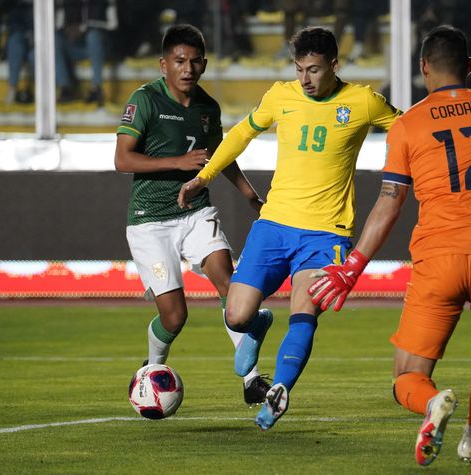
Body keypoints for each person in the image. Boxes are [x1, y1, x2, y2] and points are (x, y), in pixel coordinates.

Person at [309, 25, 471, 466]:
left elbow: (389, 203)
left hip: (440, 261)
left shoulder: (408, 124)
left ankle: (432, 403)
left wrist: (353, 266)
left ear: (423, 69)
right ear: (469, 66)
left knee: (406, 377)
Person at [177, 26, 401, 430]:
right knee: (236, 316)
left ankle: (279, 389)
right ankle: (259, 324)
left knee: (304, 309)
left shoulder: (363, 101)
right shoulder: (281, 96)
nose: (305, 79)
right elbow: (242, 134)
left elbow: (409, 130)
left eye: (314, 70)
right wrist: (203, 177)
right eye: (299, 70)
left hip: (326, 233)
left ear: (334, 65)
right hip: (274, 224)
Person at [114, 24, 271, 406]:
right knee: (174, 318)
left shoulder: (207, 107)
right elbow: (122, 159)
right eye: (180, 61)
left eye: (195, 61)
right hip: (150, 220)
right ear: (163, 64)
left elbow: (220, 156)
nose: (188, 69)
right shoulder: (145, 100)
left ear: (204, 64)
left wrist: (251, 196)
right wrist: (178, 161)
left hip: (195, 211)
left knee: (229, 283)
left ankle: (251, 379)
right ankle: (152, 369)